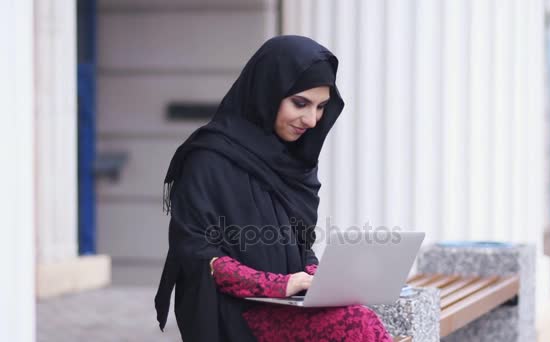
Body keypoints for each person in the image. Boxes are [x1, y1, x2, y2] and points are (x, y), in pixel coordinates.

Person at [154, 35, 392, 342]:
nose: (311, 119)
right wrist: (276, 285)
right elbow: (198, 254)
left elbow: (301, 246)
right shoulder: (208, 158)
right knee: (355, 323)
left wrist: (315, 277)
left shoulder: (295, 161)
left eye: (321, 107)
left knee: (359, 318)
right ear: (268, 91)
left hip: (287, 305)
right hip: (235, 310)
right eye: (300, 103)